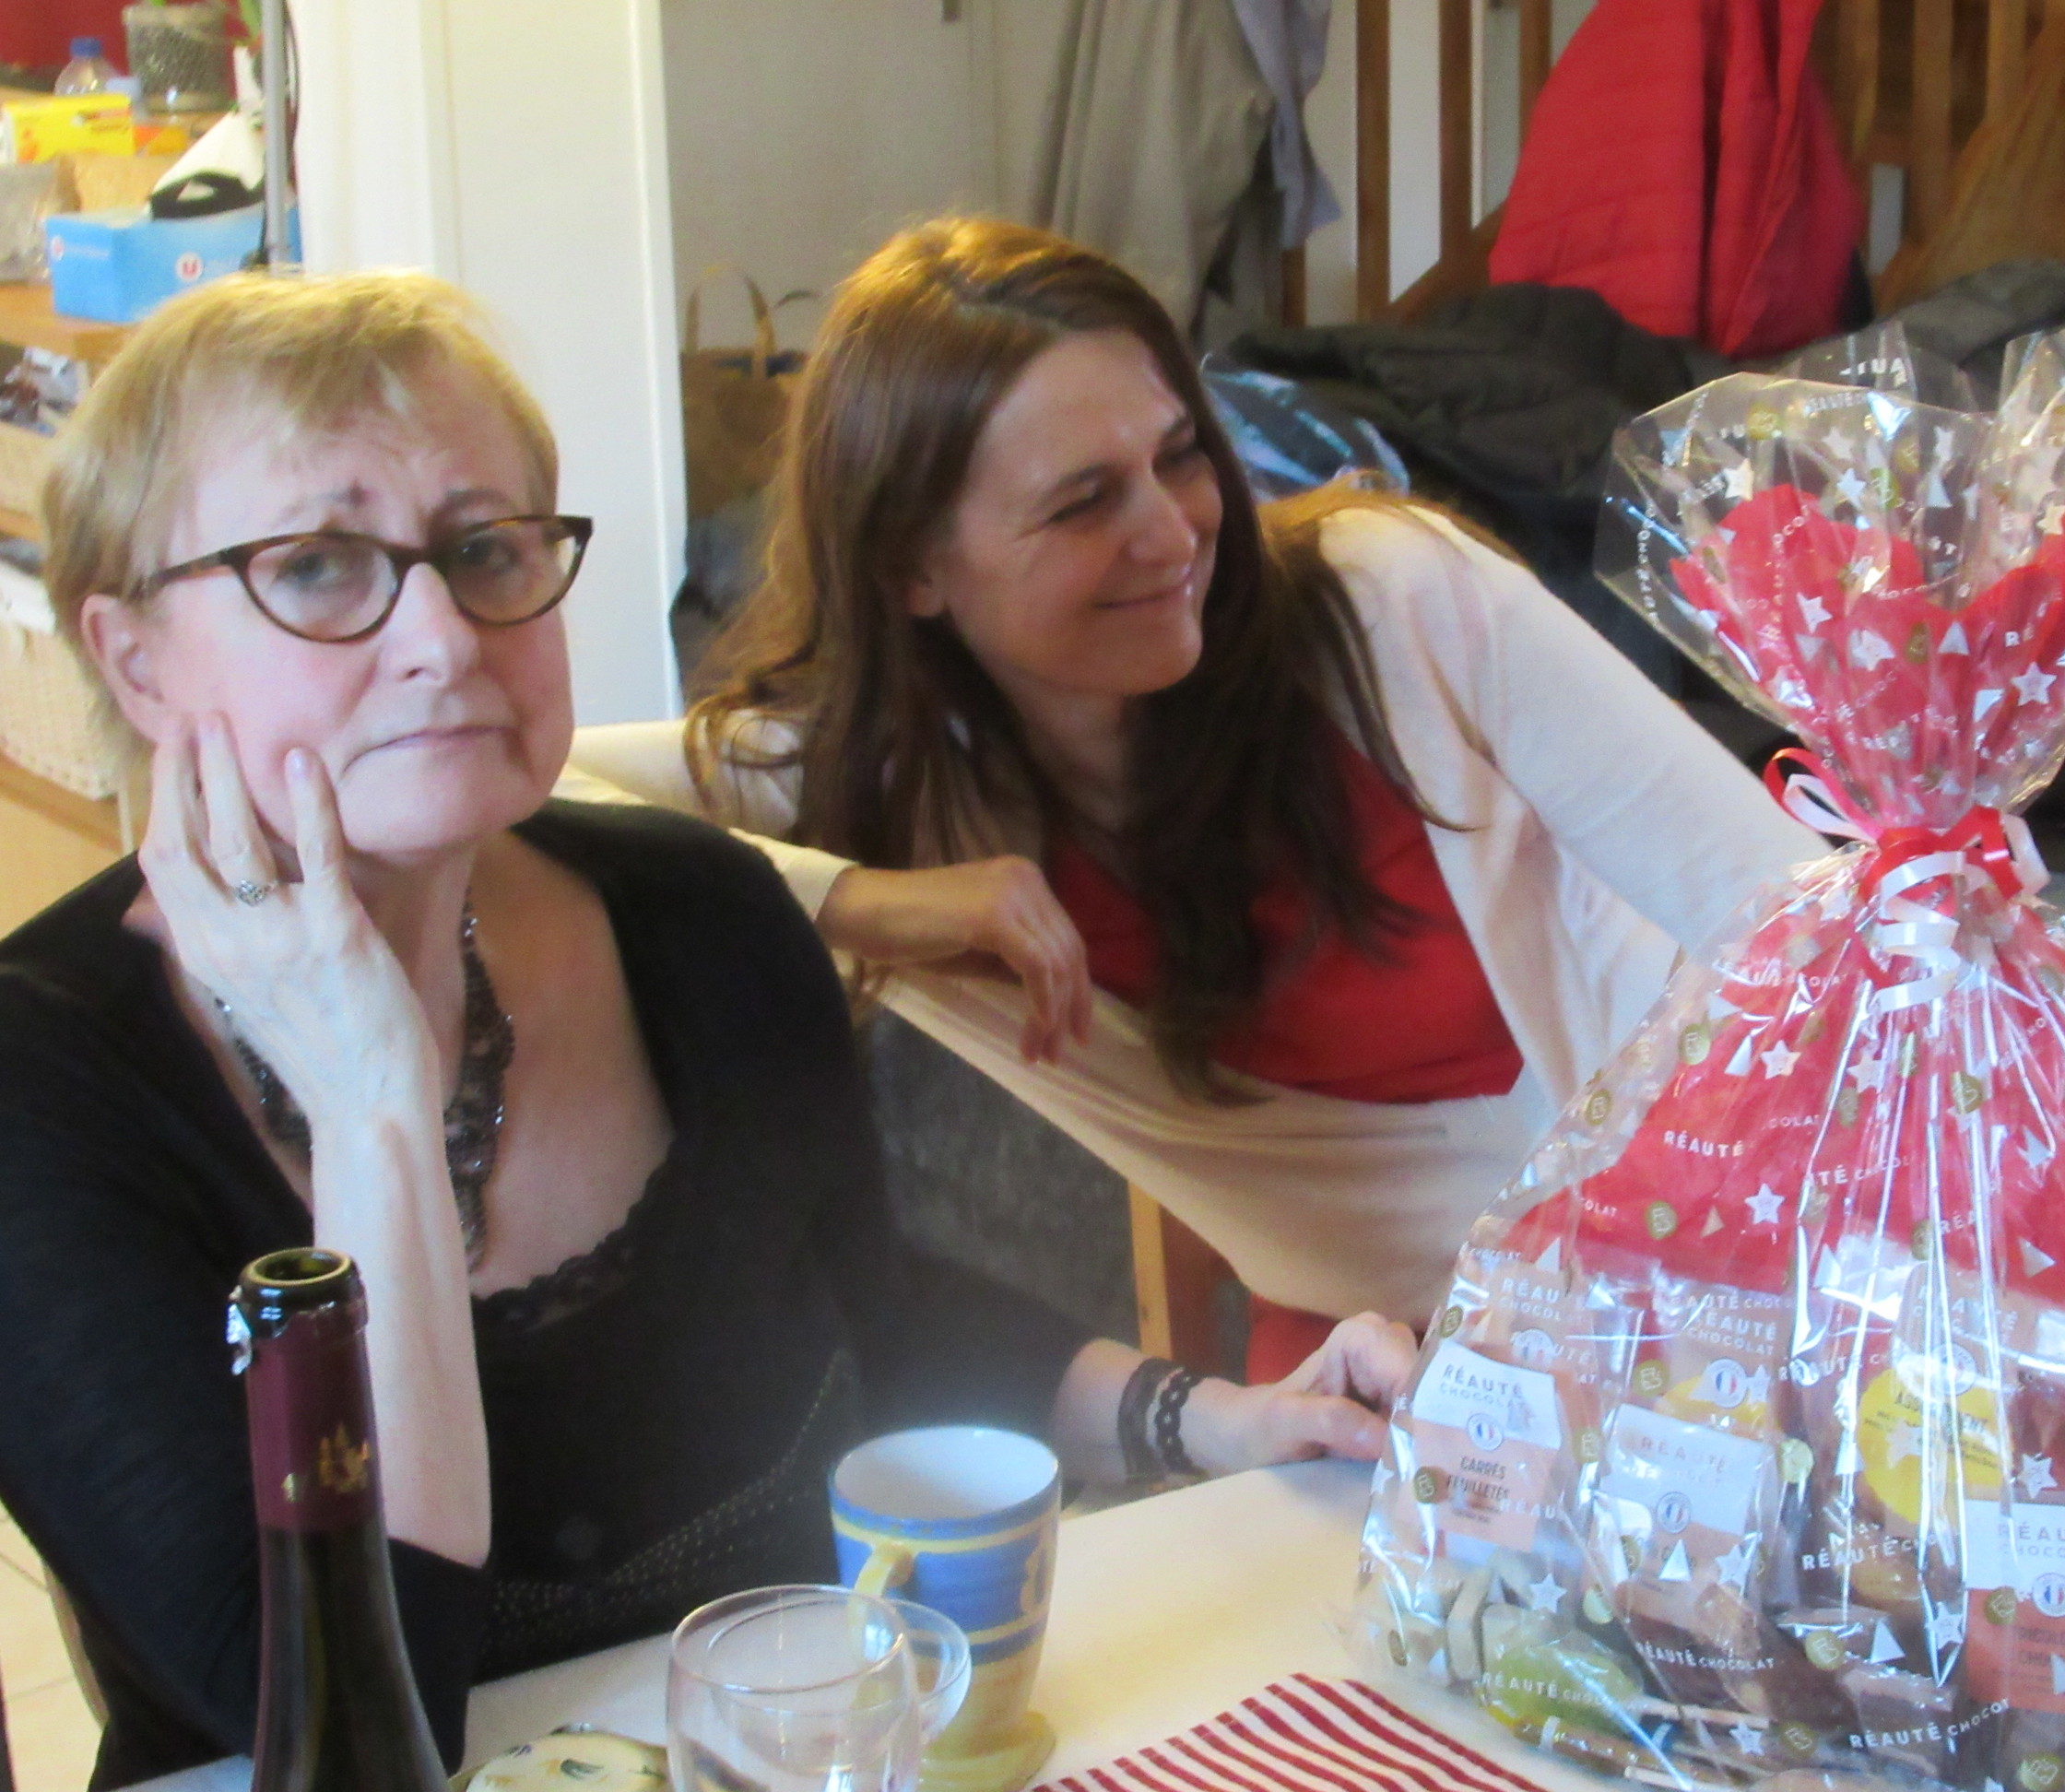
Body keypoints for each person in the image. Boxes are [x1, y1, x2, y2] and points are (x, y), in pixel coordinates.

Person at [0, 271, 1410, 1790]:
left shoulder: (700, 915)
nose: (442, 638)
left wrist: (1217, 1420)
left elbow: (865, 1313)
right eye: (321, 567)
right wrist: (374, 1112)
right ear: (135, 658)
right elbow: (352, 1722)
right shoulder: (38, 1083)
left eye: (484, 549)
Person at [622, 218, 1820, 1381]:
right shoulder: (886, 793)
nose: (1174, 535)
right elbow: (543, 801)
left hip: (1707, 1270)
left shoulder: (1387, 602)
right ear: (911, 567)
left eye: (1180, 454)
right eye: (1083, 501)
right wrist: (867, 904)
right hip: (1374, 1353)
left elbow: (1804, 929)